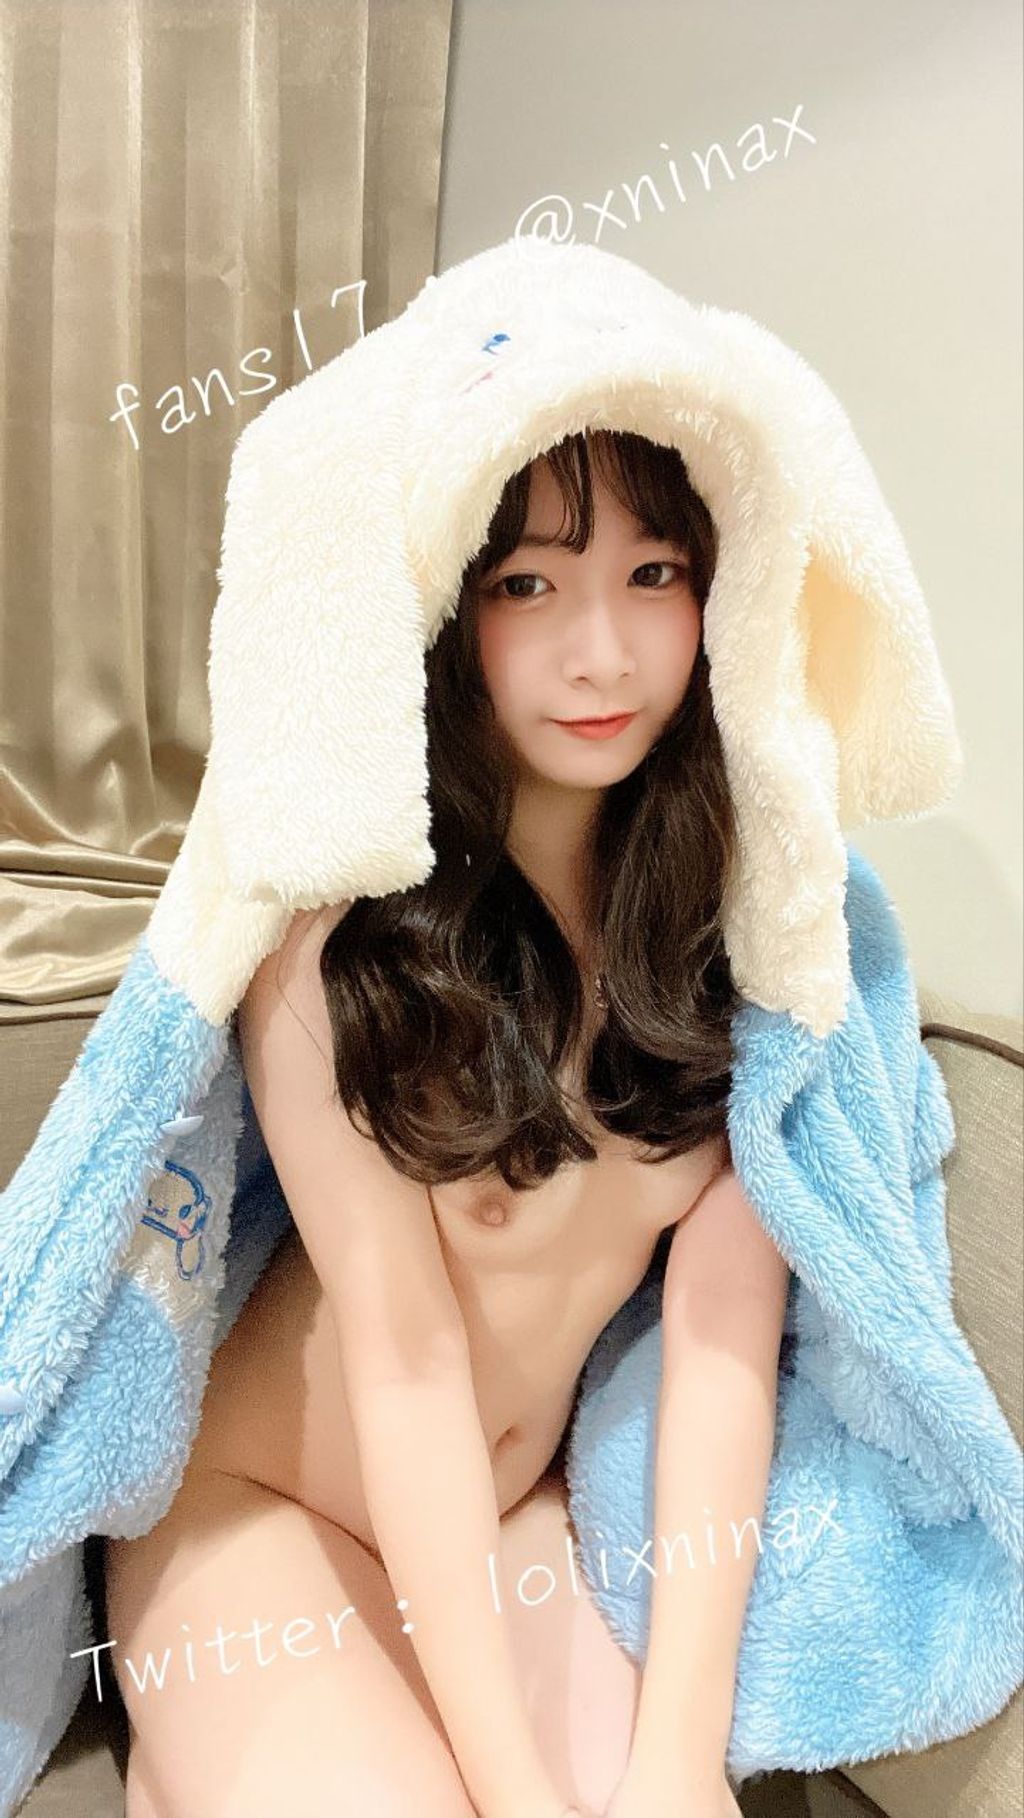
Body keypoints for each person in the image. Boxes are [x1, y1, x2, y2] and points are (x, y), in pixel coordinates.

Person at [103, 427, 789, 1817]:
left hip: (506, 1522)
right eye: (528, 584)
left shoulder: (757, 934)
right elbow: (406, 1360)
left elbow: (725, 1345)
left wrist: (678, 1755)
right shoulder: (338, 950)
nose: (603, 655)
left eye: (653, 573)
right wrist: (512, 1790)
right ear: (441, 605)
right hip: (266, 1506)